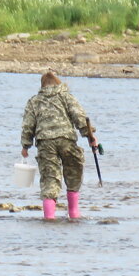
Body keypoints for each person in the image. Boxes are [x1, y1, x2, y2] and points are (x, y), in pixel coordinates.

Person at [20, 71, 99, 220]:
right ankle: (74, 214)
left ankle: (49, 217)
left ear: (42, 85)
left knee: (49, 178)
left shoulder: (34, 101)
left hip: (45, 143)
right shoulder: (66, 96)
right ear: (58, 83)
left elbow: (28, 126)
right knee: (74, 172)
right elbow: (80, 117)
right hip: (67, 140)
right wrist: (90, 136)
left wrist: (26, 146)